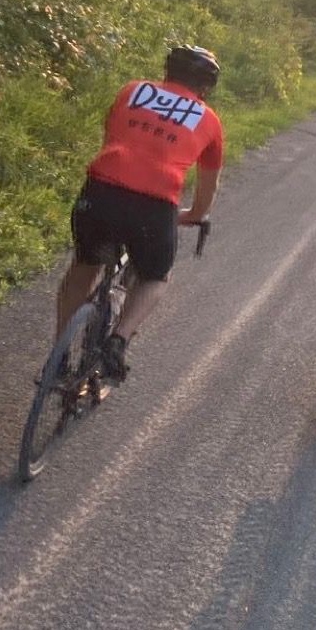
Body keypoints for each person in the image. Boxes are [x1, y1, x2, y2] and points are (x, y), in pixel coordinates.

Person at [51, 44, 223, 384]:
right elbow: (207, 188)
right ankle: (119, 339)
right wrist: (191, 215)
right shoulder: (209, 120)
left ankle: (58, 357)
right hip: (154, 205)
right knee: (155, 275)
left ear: (167, 72)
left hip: (100, 191)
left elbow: (113, 135)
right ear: (205, 88)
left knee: (84, 266)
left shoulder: (133, 90)